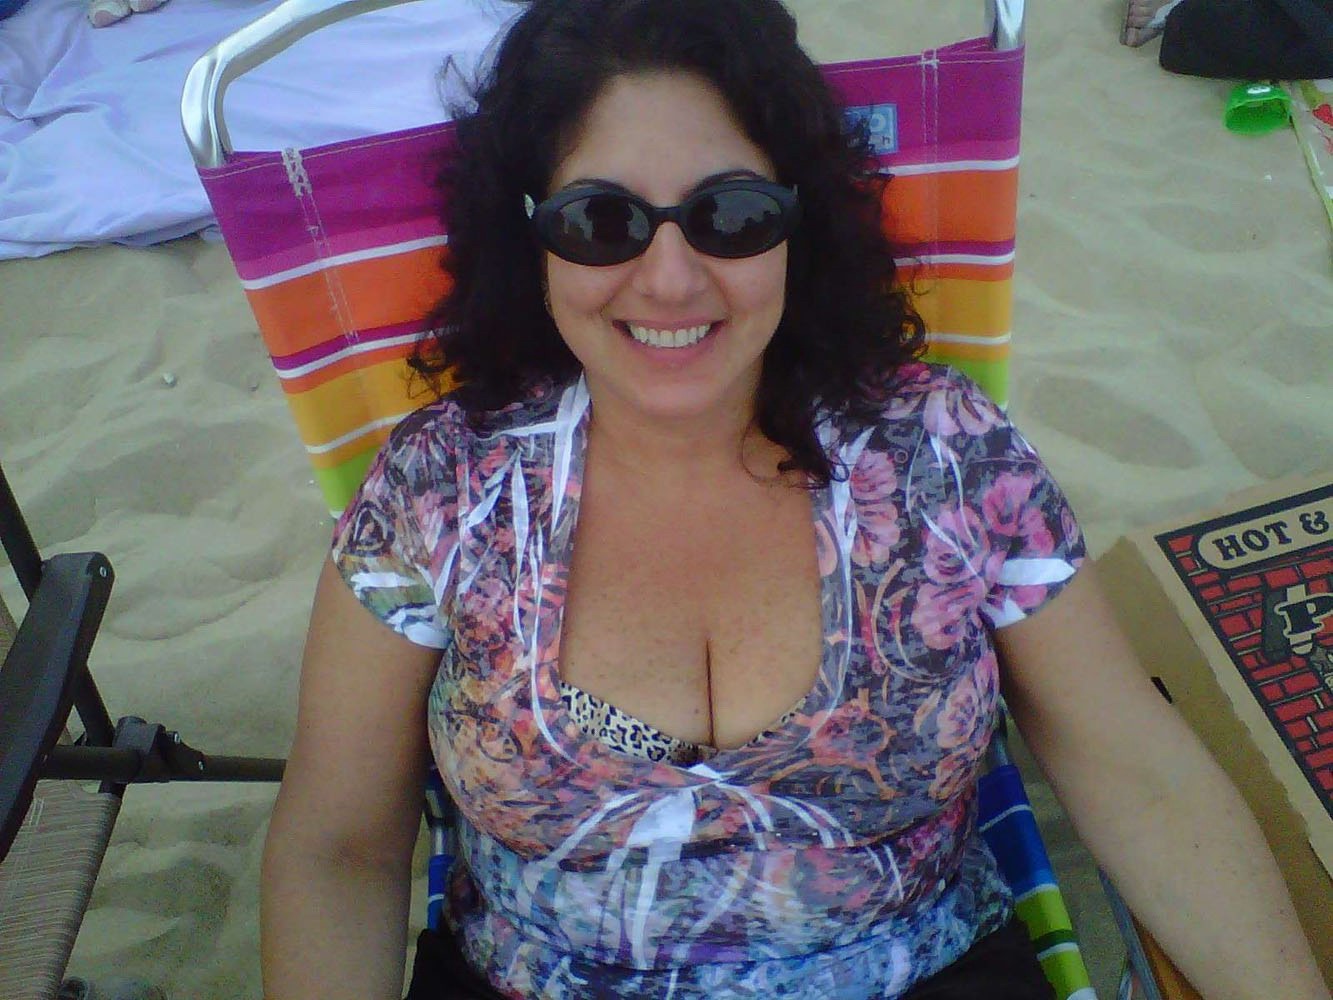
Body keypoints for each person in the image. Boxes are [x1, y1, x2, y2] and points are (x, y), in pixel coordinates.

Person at [259, 1, 1331, 997]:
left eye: (730, 214)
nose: (670, 278)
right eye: (601, 221)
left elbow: (1133, 767)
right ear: (528, 231)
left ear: (795, 223)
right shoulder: (442, 488)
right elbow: (338, 845)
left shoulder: (947, 455)